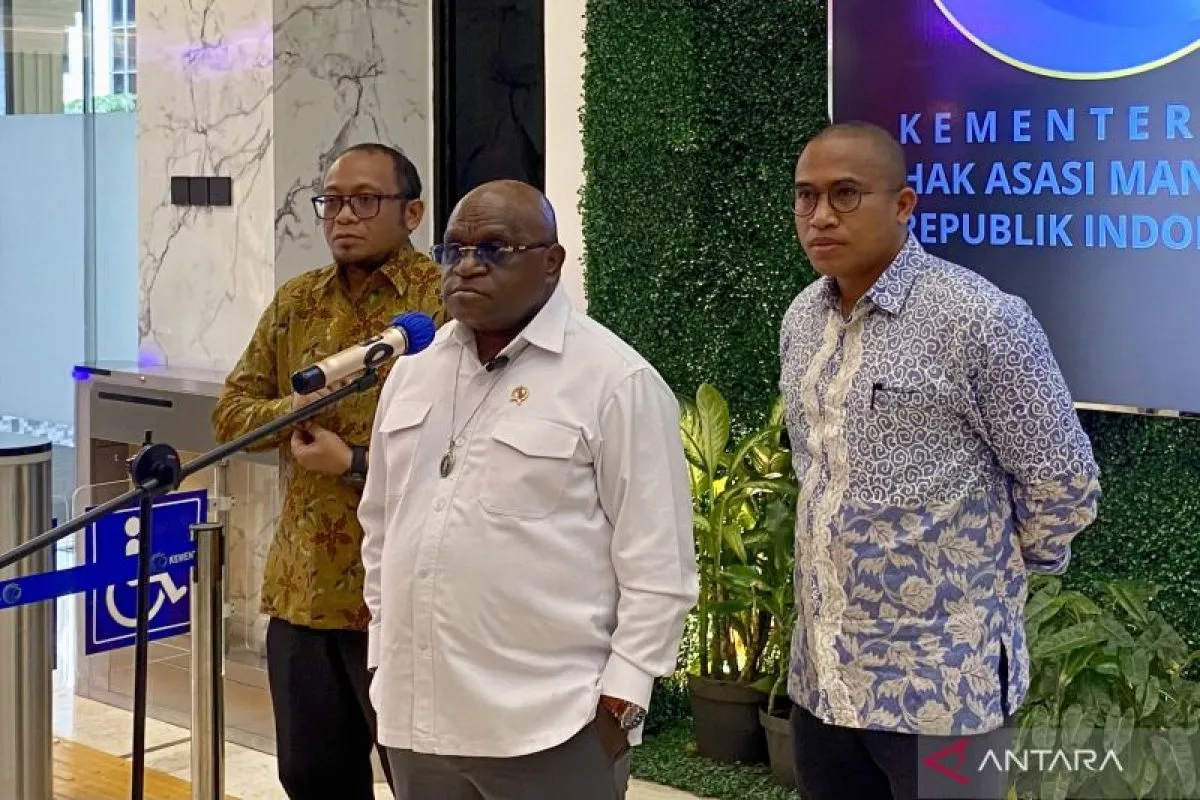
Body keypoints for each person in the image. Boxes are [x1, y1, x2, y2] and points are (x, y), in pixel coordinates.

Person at [778, 121, 1101, 800]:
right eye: (806, 196)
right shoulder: (802, 319)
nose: (821, 215)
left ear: (903, 205)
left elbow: (1064, 483)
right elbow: (816, 472)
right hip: (824, 683)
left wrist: (986, 571)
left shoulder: (979, 319)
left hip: (944, 687)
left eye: (845, 194)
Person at [358, 179, 698, 800]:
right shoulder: (411, 374)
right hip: (416, 715)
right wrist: (383, 651)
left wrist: (622, 703)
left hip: (551, 723)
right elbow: (381, 525)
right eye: (454, 249)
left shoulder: (615, 381)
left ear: (551, 262)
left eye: (493, 249)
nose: (466, 266)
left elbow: (660, 564)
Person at [211, 143, 447, 800]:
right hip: (305, 590)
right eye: (333, 201)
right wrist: (292, 411)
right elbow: (230, 415)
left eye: (365, 200)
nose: (343, 216)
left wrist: (354, 464)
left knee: (425, 781)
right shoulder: (298, 301)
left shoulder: (441, 308)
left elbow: (468, 448)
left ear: (412, 213)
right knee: (312, 778)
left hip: (404, 597)